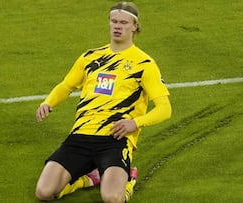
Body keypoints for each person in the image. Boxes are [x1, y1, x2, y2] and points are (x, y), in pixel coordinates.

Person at [35, 1, 172, 202]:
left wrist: (134, 123)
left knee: (112, 199)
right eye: (114, 21)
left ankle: (128, 181)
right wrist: (48, 102)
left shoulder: (144, 64)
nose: (118, 26)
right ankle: (89, 179)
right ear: (108, 23)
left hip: (115, 140)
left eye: (124, 23)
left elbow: (165, 108)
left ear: (134, 26)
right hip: (80, 136)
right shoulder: (90, 57)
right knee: (44, 193)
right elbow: (66, 86)